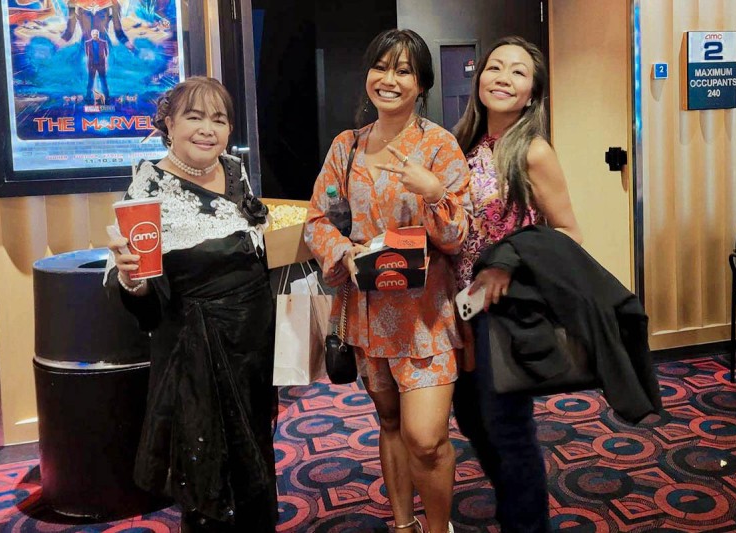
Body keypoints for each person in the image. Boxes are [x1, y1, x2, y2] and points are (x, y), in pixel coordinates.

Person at [305, 29, 471, 533]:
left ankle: (438, 528)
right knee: (391, 422)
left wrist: (434, 192)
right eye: (381, 67)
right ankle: (403, 526)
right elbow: (318, 220)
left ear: (421, 83)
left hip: (424, 316)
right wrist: (343, 252)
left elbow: (456, 237)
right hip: (367, 310)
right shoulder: (347, 146)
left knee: (426, 438)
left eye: (403, 70)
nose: (389, 79)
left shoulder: (439, 146)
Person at [104, 77, 278, 532]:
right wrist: (132, 280)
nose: (207, 129)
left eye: (219, 119)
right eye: (194, 117)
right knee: (208, 471)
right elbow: (144, 302)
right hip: (196, 352)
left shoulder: (234, 170)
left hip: (253, 345)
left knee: (255, 455)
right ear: (168, 124)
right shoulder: (149, 190)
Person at [451, 36, 582, 533]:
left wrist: (508, 264)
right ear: (479, 78)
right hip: (458, 306)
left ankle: (526, 524)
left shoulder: (532, 150)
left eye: (518, 72)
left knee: (507, 427)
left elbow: (568, 231)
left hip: (504, 309)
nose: (503, 77)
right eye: (495, 67)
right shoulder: (461, 143)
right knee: (470, 417)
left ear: (532, 94)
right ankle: (512, 503)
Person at [84, 29, 109, 103]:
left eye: (96, 34)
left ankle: (107, 97)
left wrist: (104, 62)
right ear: (91, 35)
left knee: (103, 81)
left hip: (101, 65)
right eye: (94, 34)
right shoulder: (87, 43)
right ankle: (88, 96)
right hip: (92, 65)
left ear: (98, 35)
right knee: (90, 81)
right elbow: (87, 53)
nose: (95, 36)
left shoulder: (104, 43)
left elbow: (106, 53)